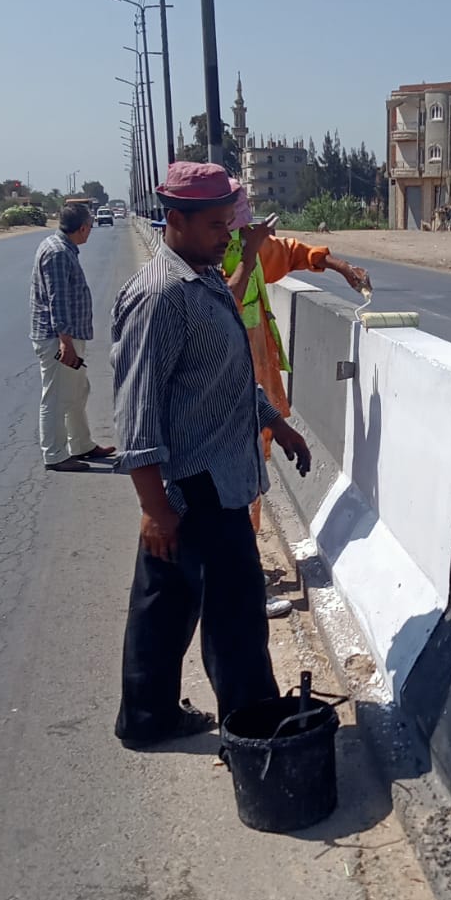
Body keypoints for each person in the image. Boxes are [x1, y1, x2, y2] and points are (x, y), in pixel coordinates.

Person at [110, 162, 312, 749]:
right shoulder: (161, 297)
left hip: (214, 477)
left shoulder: (204, 280)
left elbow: (225, 377)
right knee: (236, 616)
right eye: (216, 225)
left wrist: (276, 423)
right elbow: (137, 413)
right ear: (176, 220)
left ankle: (148, 718)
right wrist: (155, 509)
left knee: (165, 605)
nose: (228, 235)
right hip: (196, 487)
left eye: (230, 223)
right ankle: (256, 732)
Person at [220, 215, 371, 616]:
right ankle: (241, 585)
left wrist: (340, 266)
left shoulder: (247, 248)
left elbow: (290, 253)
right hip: (230, 386)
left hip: (252, 378)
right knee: (236, 483)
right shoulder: (217, 256)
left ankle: (242, 569)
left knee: (250, 476)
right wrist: (248, 254)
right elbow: (226, 301)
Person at [29, 201, 115, 471]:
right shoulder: (57, 253)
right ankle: (54, 454)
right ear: (83, 228)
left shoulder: (62, 248)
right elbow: (58, 301)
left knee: (78, 391)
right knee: (56, 397)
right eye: (90, 226)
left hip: (69, 336)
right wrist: (65, 342)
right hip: (58, 338)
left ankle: (81, 444)